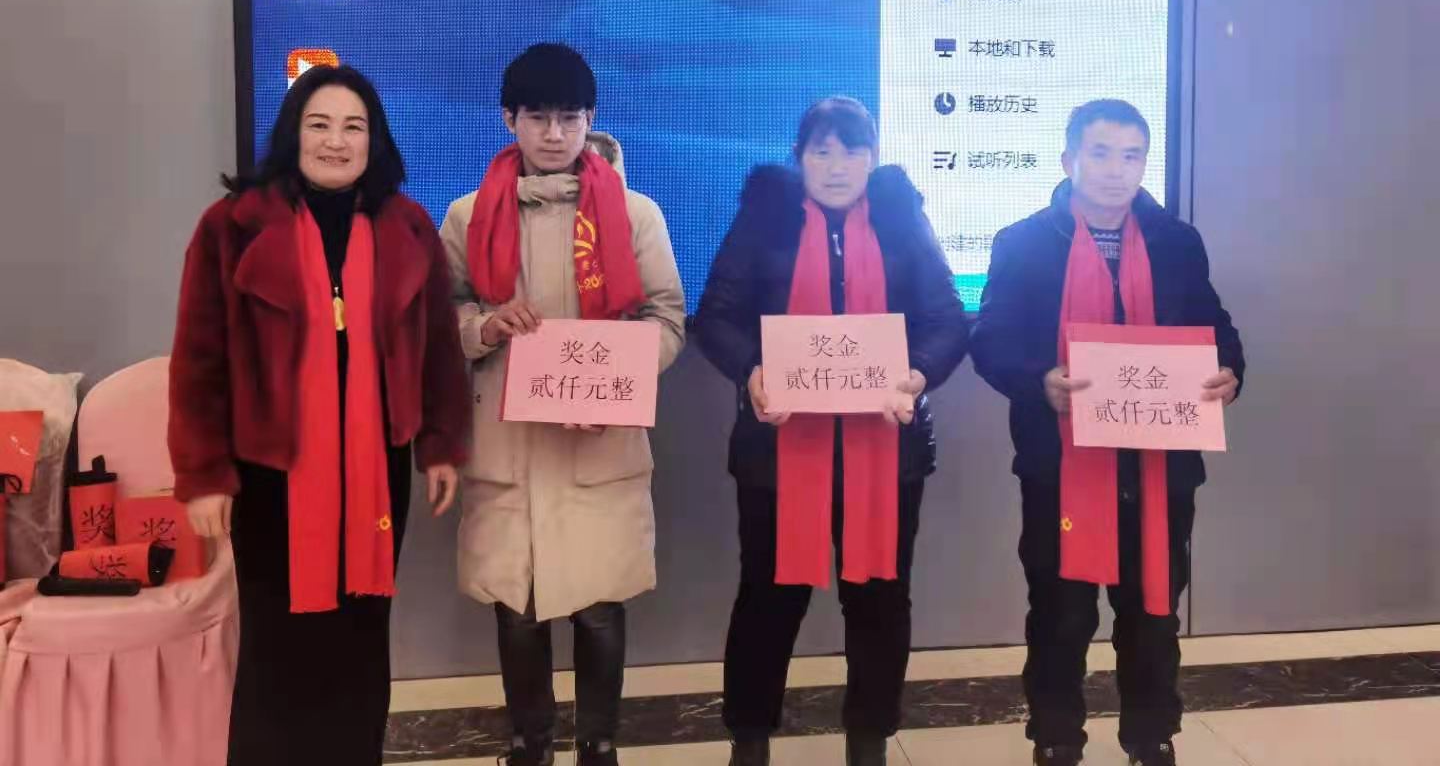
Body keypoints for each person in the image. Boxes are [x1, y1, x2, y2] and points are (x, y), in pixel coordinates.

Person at [168, 64, 471, 766]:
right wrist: (204, 475)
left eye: (353, 127)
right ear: (293, 134)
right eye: (320, 125)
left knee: (360, 640)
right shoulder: (232, 226)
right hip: (269, 473)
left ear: (374, 141)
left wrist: (440, 445)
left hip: (375, 471)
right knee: (277, 644)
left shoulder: (407, 226)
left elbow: (437, 349)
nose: (336, 141)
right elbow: (198, 359)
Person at [693, 97, 969, 766]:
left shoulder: (902, 219)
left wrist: (918, 374)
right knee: (768, 598)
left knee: (879, 599)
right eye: (822, 151)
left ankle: (868, 741)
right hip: (779, 449)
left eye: (852, 151)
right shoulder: (764, 218)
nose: (837, 165)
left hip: (887, 450)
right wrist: (753, 371)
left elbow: (946, 319)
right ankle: (749, 741)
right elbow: (717, 315)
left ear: (872, 158)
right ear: (800, 158)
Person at [969, 100, 1245, 766]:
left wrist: (1231, 370)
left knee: (1152, 611)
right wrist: (1038, 379)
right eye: (1100, 153)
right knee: (1061, 612)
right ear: (1069, 159)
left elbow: (1215, 327)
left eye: (1131, 155)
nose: (1116, 169)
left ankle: (1151, 736)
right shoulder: (1024, 243)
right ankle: (1057, 738)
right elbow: (992, 340)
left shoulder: (1177, 242)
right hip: (1062, 466)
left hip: (1159, 466)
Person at [440, 43, 685, 766]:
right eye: (538, 117)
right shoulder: (466, 216)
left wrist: (619, 380)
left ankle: (599, 746)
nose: (554, 133)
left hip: (597, 439)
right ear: (508, 119)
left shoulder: (635, 214)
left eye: (570, 117)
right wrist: (485, 327)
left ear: (590, 119)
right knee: (517, 609)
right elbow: (443, 315)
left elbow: (667, 319)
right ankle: (529, 745)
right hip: (507, 446)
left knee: (600, 608)